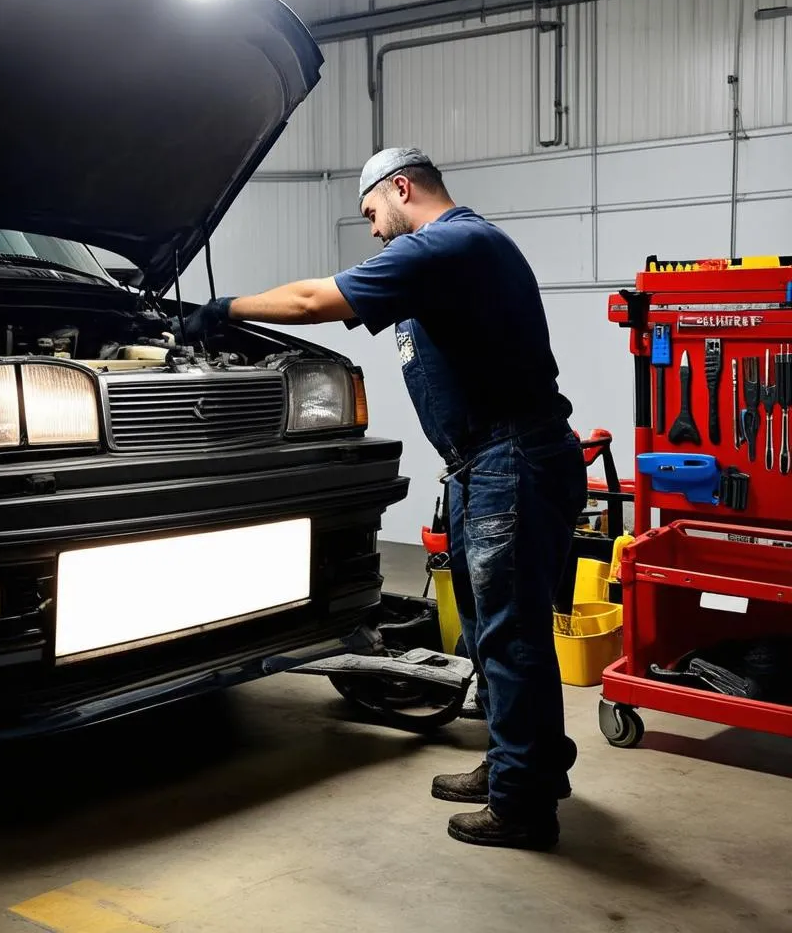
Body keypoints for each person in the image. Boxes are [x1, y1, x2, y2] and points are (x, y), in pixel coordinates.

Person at [176, 148, 587, 851]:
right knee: (494, 631)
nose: (373, 230)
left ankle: (523, 802)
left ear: (402, 188)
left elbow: (314, 300)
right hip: (481, 462)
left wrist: (219, 311)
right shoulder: (452, 256)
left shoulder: (450, 243)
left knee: (511, 635)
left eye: (371, 213)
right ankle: (518, 765)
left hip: (509, 459)